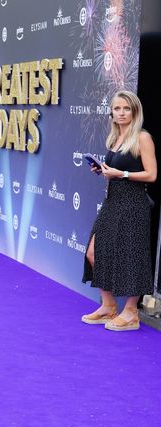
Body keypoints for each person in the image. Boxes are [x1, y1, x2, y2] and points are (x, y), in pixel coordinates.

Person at [81, 90, 157, 331]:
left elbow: (151, 175)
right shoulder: (115, 138)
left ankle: (131, 312)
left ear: (135, 111)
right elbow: (116, 171)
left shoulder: (142, 138)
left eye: (126, 108)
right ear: (111, 112)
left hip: (134, 204)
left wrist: (120, 174)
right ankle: (108, 306)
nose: (121, 113)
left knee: (130, 256)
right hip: (113, 202)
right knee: (94, 251)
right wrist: (104, 171)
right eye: (117, 108)